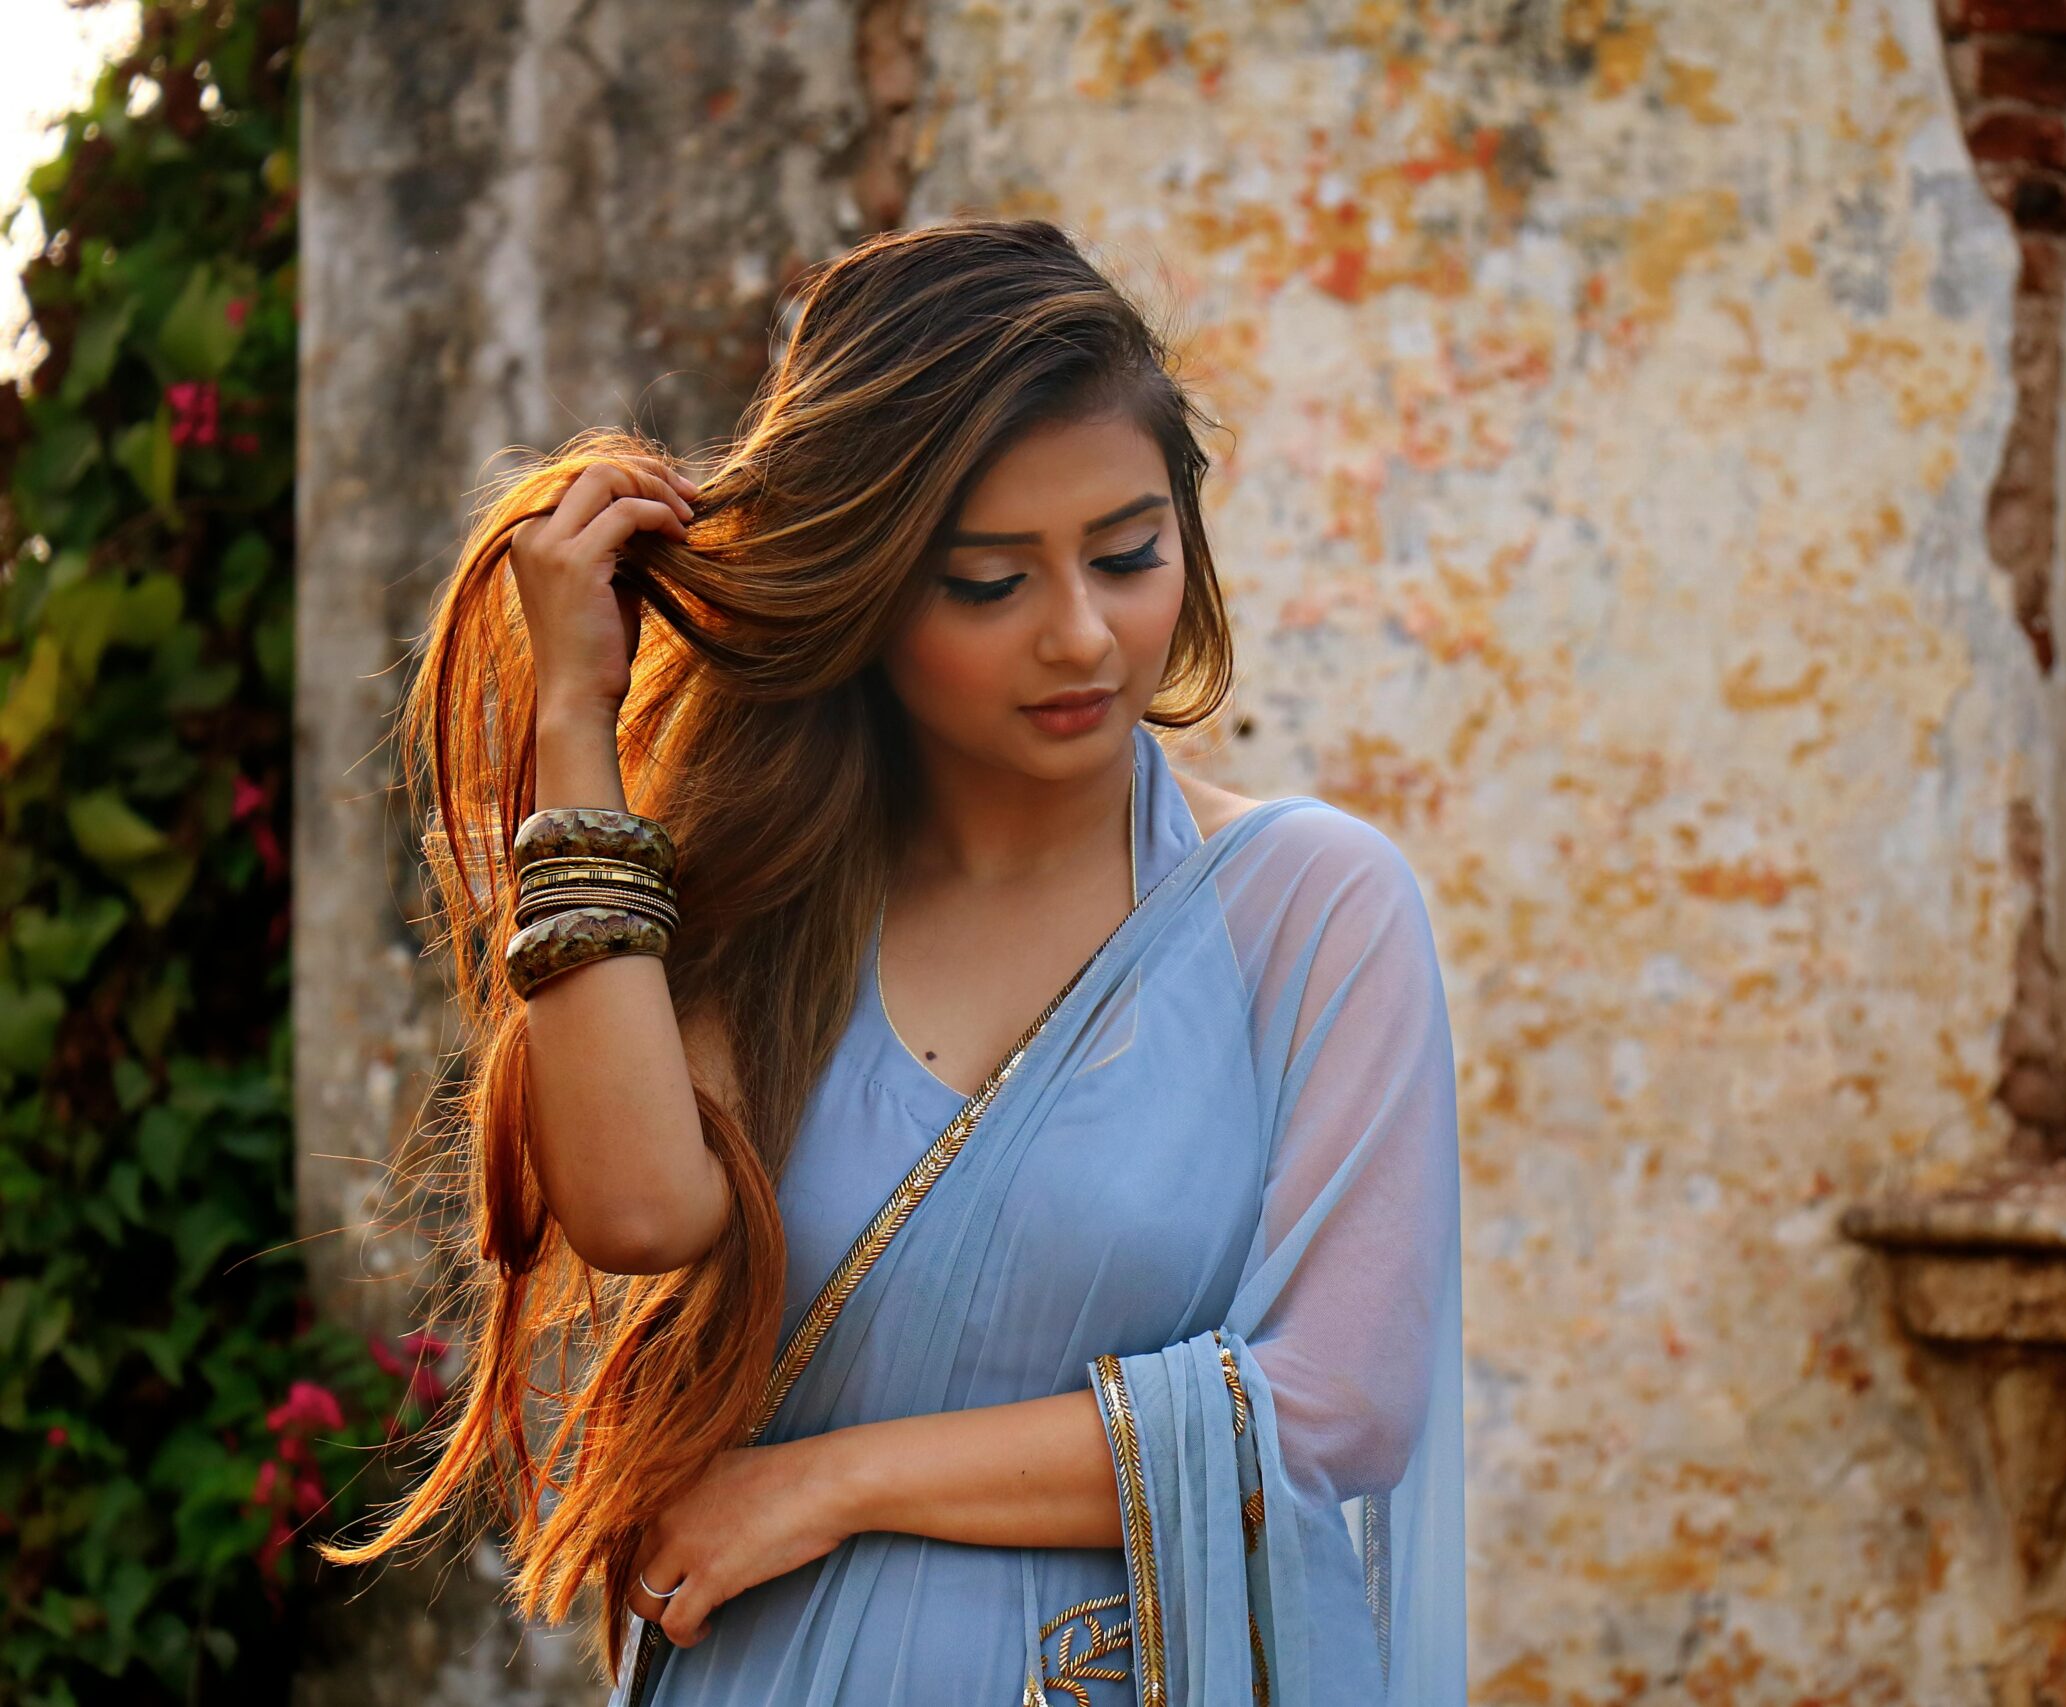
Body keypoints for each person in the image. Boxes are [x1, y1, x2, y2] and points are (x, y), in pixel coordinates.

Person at [317, 217, 1467, 1707]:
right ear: (867, 586)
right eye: (989, 583)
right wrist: (574, 726)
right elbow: (641, 1212)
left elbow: (1335, 1411)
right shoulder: (779, 905)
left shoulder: (1312, 912)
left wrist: (830, 1486)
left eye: (1129, 556)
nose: (1081, 636)